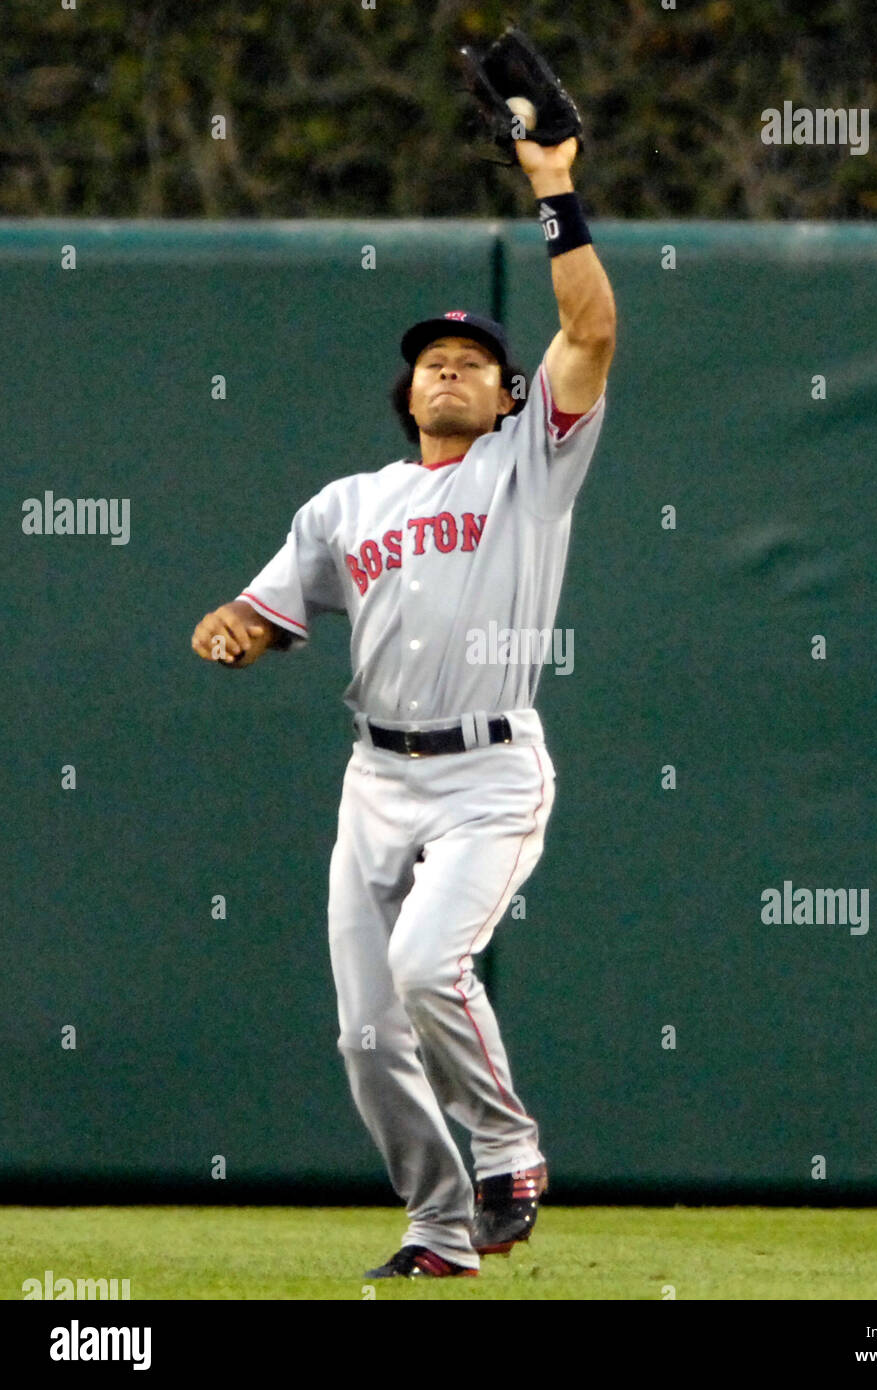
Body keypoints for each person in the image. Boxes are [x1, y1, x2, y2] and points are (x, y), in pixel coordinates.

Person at [190, 131, 616, 1278]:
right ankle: (438, 1227)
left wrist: (551, 186)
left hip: (486, 774)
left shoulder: (530, 466)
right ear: (406, 387)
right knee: (367, 1031)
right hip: (376, 777)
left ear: (507, 391)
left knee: (431, 967)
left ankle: (508, 1147)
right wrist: (231, 629)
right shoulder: (348, 503)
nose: (449, 368)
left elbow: (591, 331)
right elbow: (264, 608)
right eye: (432, 358)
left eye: (473, 359)